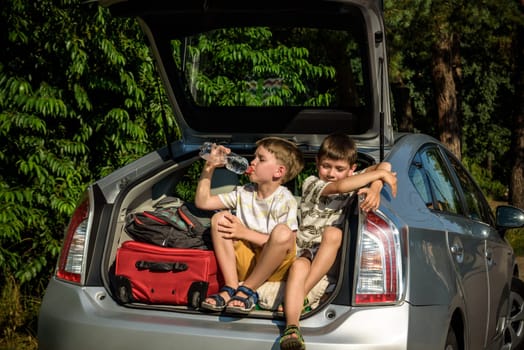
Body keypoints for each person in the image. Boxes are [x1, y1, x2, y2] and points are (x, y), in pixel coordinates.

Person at [279, 132, 397, 350]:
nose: (331, 173)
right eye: (326, 166)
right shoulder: (312, 183)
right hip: (305, 250)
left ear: (351, 169)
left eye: (339, 169)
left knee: (334, 234)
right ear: (317, 163)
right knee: (297, 266)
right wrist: (378, 176)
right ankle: (292, 328)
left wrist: (376, 186)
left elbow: (386, 165)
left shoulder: (352, 179)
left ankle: (298, 295)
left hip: (332, 256)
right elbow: (340, 188)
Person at [194, 137, 304, 315]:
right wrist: (210, 166)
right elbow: (203, 201)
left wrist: (244, 233)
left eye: (261, 159)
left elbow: (287, 242)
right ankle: (230, 286)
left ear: (278, 171)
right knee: (220, 218)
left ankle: (248, 289)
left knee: (283, 233)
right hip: (248, 262)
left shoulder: (285, 200)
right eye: (254, 157)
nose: (252, 162)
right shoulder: (243, 193)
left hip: (275, 267)